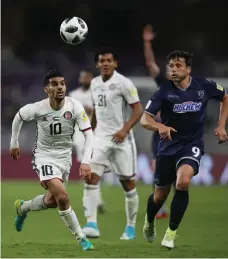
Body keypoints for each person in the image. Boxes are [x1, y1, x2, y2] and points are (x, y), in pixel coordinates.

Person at [140, 50, 228, 249]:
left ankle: (170, 234)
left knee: (183, 181)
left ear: (188, 69)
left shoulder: (204, 85)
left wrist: (221, 125)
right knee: (159, 196)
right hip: (167, 148)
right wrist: (160, 126)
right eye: (171, 66)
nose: (173, 69)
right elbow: (145, 119)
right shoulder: (163, 91)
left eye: (178, 65)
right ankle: (150, 220)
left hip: (191, 145)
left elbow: (225, 98)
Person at [10, 70, 94, 251]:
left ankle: (23, 207)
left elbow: (89, 135)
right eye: (54, 84)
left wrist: (86, 161)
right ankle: (82, 238)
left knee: (52, 201)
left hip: (65, 157)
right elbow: (19, 116)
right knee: (63, 197)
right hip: (44, 156)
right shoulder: (38, 108)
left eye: (62, 83)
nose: (60, 87)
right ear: (46, 89)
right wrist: (14, 143)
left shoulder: (74, 106)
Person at [82, 50, 143, 240]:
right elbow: (95, 113)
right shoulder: (94, 83)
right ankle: (92, 224)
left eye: (109, 60)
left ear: (115, 63)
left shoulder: (124, 83)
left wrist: (124, 130)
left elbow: (138, 109)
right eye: (102, 61)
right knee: (90, 177)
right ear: (98, 64)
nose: (105, 63)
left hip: (121, 139)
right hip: (100, 138)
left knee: (128, 184)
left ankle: (130, 228)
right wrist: (89, 134)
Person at [68, 69, 106, 214]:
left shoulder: (97, 94)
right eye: (84, 77)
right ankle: (95, 200)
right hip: (79, 136)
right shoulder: (74, 95)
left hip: (95, 133)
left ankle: (94, 200)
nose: (86, 79)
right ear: (80, 79)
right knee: (88, 167)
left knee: (91, 167)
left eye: (88, 77)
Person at [143, 24, 168, 219]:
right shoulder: (165, 85)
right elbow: (151, 64)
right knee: (157, 169)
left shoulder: (192, 88)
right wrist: (147, 43)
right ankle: (159, 207)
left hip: (180, 135)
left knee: (177, 174)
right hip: (159, 134)